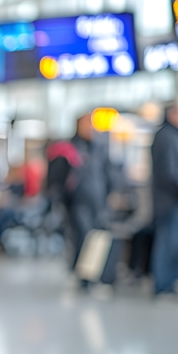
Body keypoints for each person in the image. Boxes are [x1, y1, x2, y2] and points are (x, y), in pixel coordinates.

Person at [150, 103, 178, 296]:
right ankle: (165, 285)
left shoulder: (165, 136)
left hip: (164, 200)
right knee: (171, 244)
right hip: (171, 201)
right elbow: (171, 172)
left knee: (167, 243)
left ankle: (165, 284)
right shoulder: (168, 137)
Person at [65, 113, 115, 271]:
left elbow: (109, 172)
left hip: (98, 199)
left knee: (96, 238)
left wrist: (112, 192)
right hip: (78, 201)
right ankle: (79, 272)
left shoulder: (99, 147)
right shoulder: (71, 148)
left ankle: (90, 275)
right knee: (82, 235)